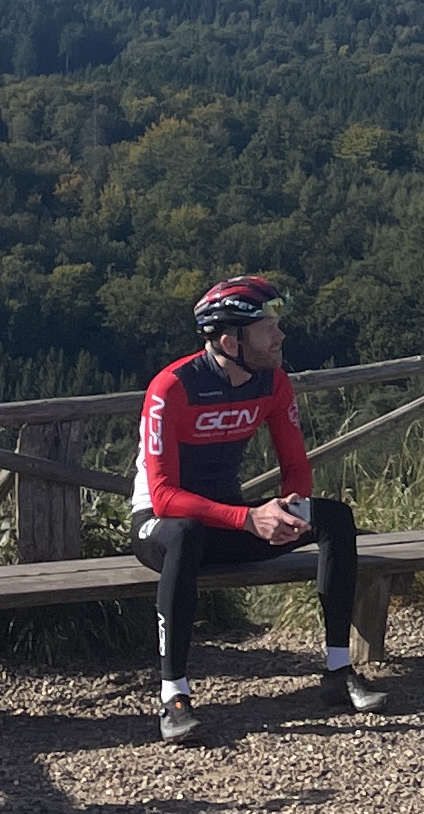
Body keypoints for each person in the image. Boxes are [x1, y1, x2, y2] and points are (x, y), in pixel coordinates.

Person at [130, 274, 390, 744]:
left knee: (333, 518)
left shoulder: (272, 383)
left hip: (227, 522)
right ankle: (173, 693)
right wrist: (248, 518)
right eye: (270, 328)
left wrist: (290, 508)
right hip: (160, 528)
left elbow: (294, 463)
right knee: (185, 532)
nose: (281, 336)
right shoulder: (172, 387)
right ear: (231, 340)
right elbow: (164, 494)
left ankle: (337, 669)